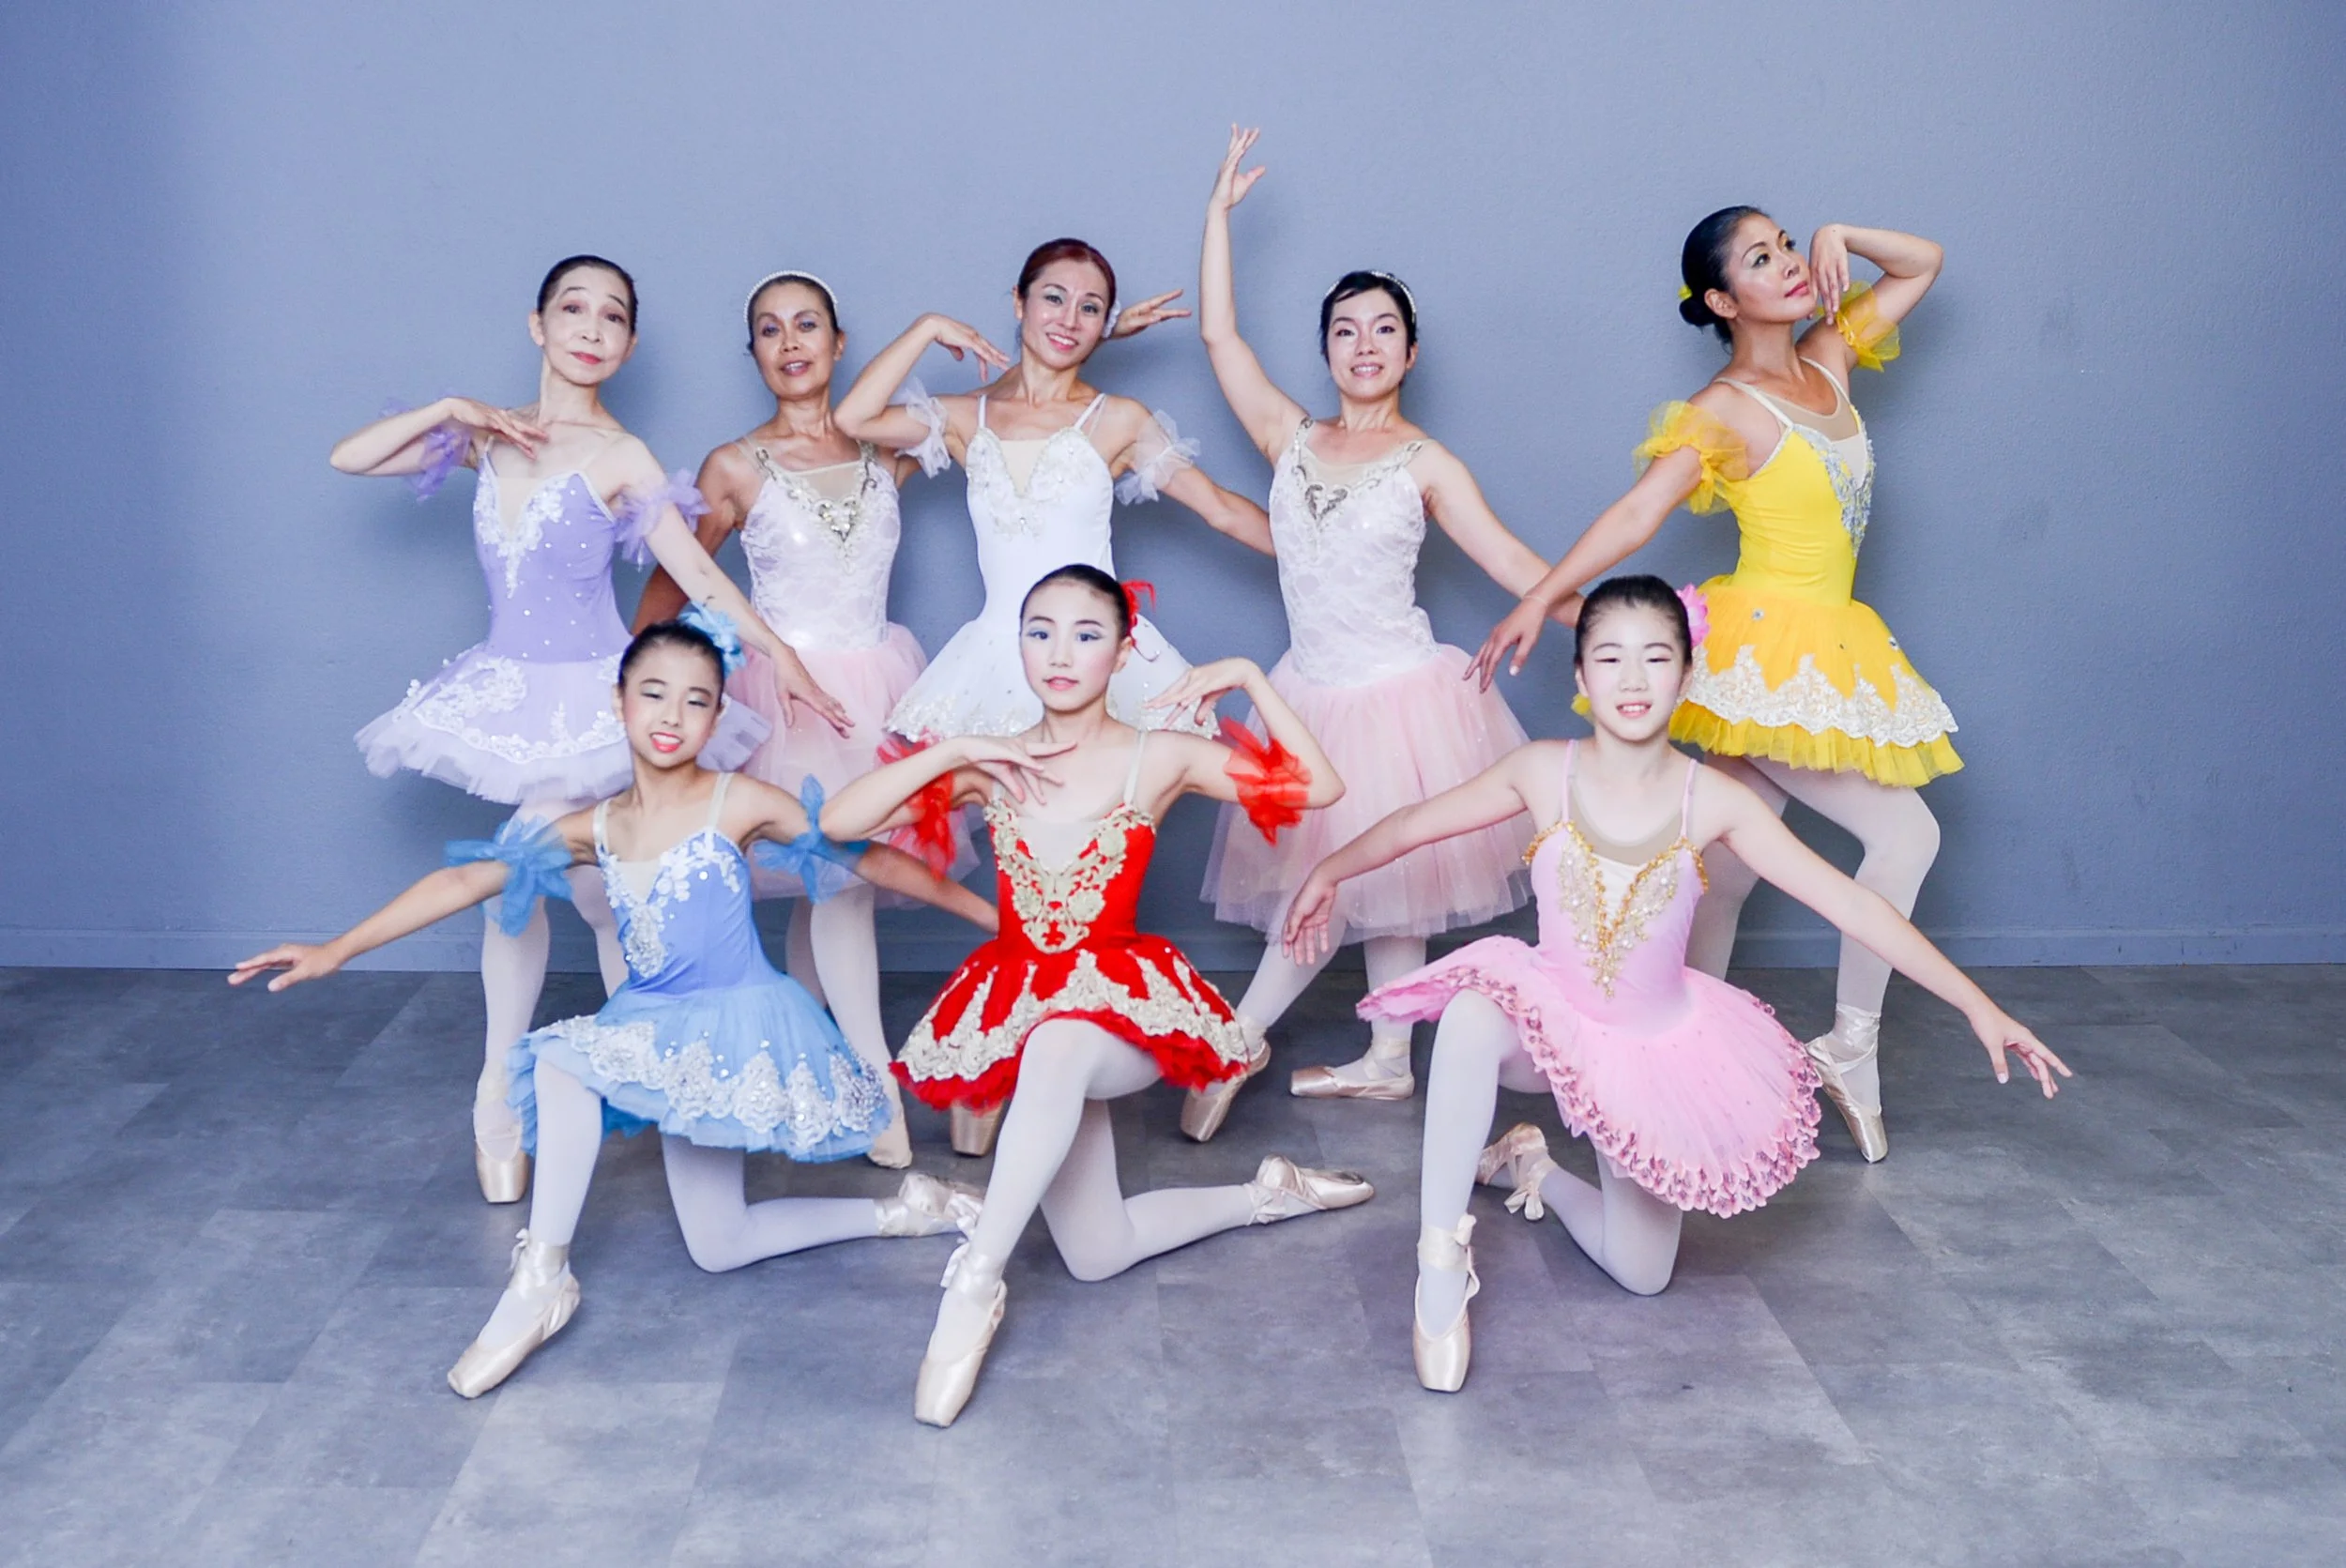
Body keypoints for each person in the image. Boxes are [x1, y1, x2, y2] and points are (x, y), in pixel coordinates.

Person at [1291, 576, 2067, 1392]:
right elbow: (1415, 823)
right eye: (1611, 658)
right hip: (1547, 1020)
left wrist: (1978, 1004)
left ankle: (1535, 1167)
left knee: (1643, 1270)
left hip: (1649, 1056)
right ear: (1582, 679)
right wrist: (1328, 873)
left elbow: (1850, 902)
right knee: (1474, 1011)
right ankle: (1440, 1262)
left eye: (1655, 657)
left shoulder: (1719, 802)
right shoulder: (1541, 771)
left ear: (1686, 677)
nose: (1633, 679)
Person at [234, 613, 995, 1397]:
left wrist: (989, 919)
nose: (672, 715)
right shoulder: (594, 827)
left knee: (667, 1180)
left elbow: (871, 856)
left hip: (729, 1024)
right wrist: (339, 947)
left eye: (697, 701)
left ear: (718, 715)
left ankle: (553, 1273)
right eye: (654, 693)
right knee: (654, 1164)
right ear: (619, 701)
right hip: (650, 1024)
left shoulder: (742, 802)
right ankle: (902, 1211)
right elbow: (467, 880)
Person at [329, 254, 850, 1202]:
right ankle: (585, 1083)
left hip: (598, 697)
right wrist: (454, 406)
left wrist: (788, 662)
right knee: (576, 889)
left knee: (553, 876)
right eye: (575, 309)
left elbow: (700, 580)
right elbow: (350, 457)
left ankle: (537, 1095)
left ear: (629, 345)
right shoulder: (487, 440)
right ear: (538, 324)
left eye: (612, 318)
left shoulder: (624, 457)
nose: (591, 329)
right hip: (506, 688)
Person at [819, 565, 1373, 1427]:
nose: (1060, 652)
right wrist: (959, 749)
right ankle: (1272, 1192)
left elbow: (1321, 788)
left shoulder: (1160, 754)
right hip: (1025, 1001)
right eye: (1039, 630)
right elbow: (838, 824)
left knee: (1059, 1041)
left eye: (1086, 633)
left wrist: (1251, 678)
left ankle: (974, 1279)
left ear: (1122, 652)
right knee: (1096, 1250)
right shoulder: (992, 760)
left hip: (1123, 1012)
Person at [1473, 210, 1954, 1162]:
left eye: (1785, 247)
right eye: (1761, 260)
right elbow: (1639, 512)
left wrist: (1840, 234)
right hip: (1768, 660)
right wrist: (1540, 596)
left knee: (1724, 870)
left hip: (1824, 645)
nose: (1786, 266)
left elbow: (1925, 262)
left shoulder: (1830, 358)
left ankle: (1655, 1062)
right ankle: (1849, 1047)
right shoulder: (1727, 404)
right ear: (1724, 302)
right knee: (1906, 833)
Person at [1181, 126, 1572, 1139]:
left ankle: (1239, 1038)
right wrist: (1216, 220)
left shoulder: (1428, 462)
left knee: (1369, 878)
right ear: (1326, 351)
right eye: (1345, 329)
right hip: (1308, 692)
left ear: (1409, 350)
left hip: (1402, 697)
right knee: (1367, 884)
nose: (1364, 344)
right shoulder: (1289, 437)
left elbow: (1515, 566)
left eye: (1383, 328)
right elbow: (1221, 341)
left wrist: (1617, 619)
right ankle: (1386, 1057)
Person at [633, 269, 959, 1168]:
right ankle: (873, 1085)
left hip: (880, 689)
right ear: (755, 355)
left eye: (806, 325)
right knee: (840, 879)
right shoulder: (734, 465)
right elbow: (674, 582)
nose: (790, 343)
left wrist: (1101, 326)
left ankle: (816, 1062)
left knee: (833, 889)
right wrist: (642, 683)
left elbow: (1017, 410)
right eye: (769, 331)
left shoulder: (885, 448)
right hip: (784, 703)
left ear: (839, 341)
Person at [832, 237, 1272, 741]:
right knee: (1011, 814)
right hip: (1000, 653)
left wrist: (1320, 553)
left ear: (1105, 325)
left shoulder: (1120, 420)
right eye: (1054, 298)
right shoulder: (964, 417)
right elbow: (853, 417)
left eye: (1090, 308)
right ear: (1019, 302)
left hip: (1092, 648)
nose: (1069, 319)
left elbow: (1219, 509)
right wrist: (926, 327)